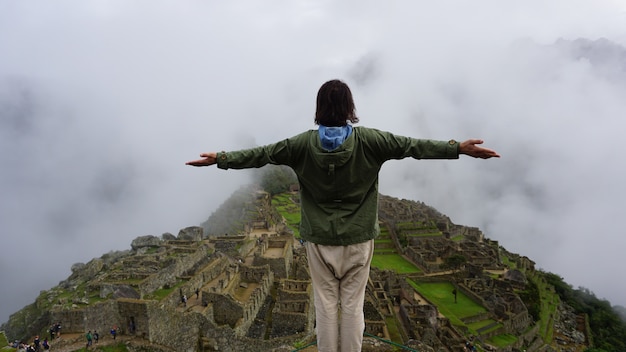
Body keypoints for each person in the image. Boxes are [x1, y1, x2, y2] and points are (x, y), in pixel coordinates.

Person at [186, 79, 500, 352]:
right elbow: (413, 146)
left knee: (324, 305)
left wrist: (221, 159)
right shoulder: (371, 141)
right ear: (350, 107)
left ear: (319, 108)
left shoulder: (301, 145)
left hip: (320, 241)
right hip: (359, 240)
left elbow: (261, 154)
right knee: (352, 306)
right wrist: (457, 148)